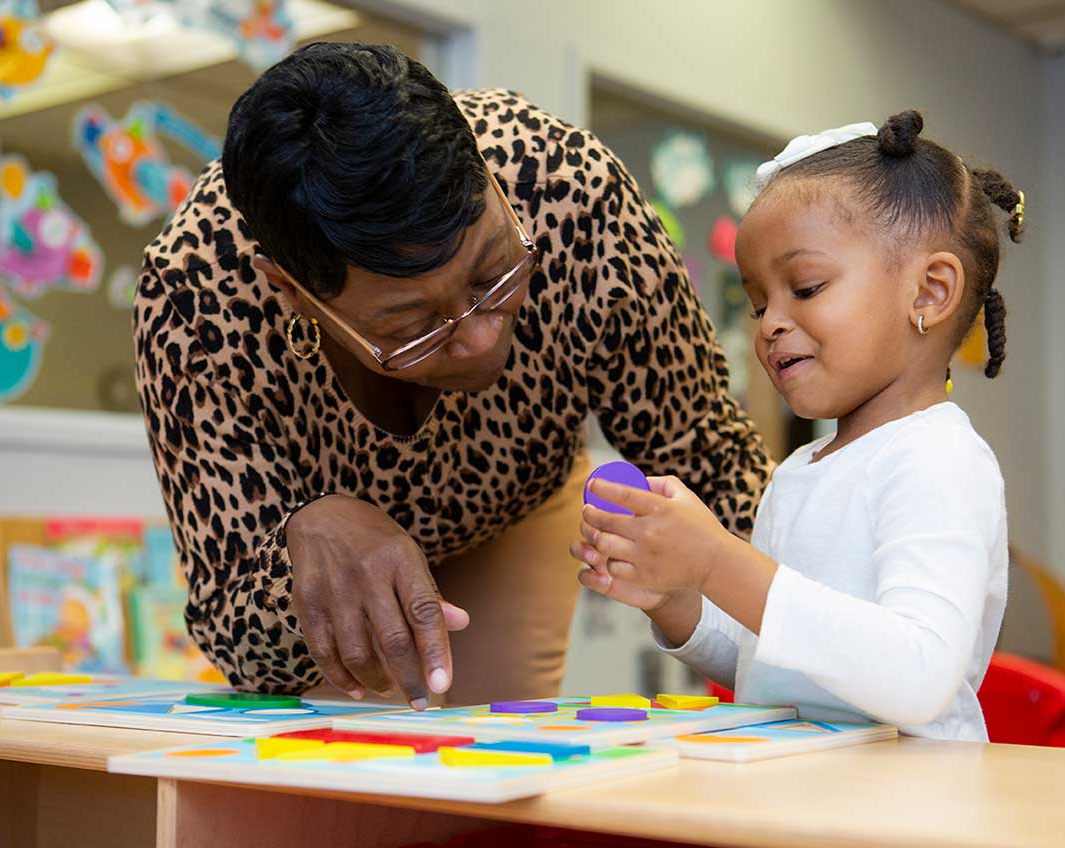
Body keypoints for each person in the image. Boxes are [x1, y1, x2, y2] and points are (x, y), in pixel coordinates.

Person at [133, 42, 773, 707]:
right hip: (325, 562)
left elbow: (710, 462)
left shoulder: (569, 189)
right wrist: (302, 529)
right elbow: (239, 633)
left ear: (490, 181)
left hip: (514, 505)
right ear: (291, 291)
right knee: (342, 769)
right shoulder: (193, 296)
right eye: (411, 326)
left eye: (493, 272)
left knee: (496, 745)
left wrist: (822, 649)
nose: (479, 336)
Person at [574, 111, 1020, 741]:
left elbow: (918, 675)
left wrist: (715, 559)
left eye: (805, 288)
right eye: (759, 304)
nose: (769, 325)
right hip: (797, 800)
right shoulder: (797, 474)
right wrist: (675, 598)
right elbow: (773, 663)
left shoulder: (938, 457)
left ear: (929, 292)